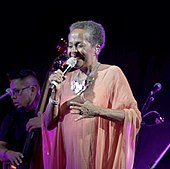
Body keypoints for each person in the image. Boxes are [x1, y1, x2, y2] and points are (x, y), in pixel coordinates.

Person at [42, 20, 142, 169]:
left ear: (96, 48)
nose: (72, 51)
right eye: (70, 45)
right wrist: (54, 95)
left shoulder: (112, 73)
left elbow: (133, 116)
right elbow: (49, 124)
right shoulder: (66, 79)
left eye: (79, 45)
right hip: (70, 160)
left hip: (99, 159)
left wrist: (97, 111)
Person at [0, 69, 44, 169]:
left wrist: (46, 124)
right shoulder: (12, 117)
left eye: (17, 91)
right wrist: (7, 153)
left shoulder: (49, 113)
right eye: (11, 92)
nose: (13, 97)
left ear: (32, 90)